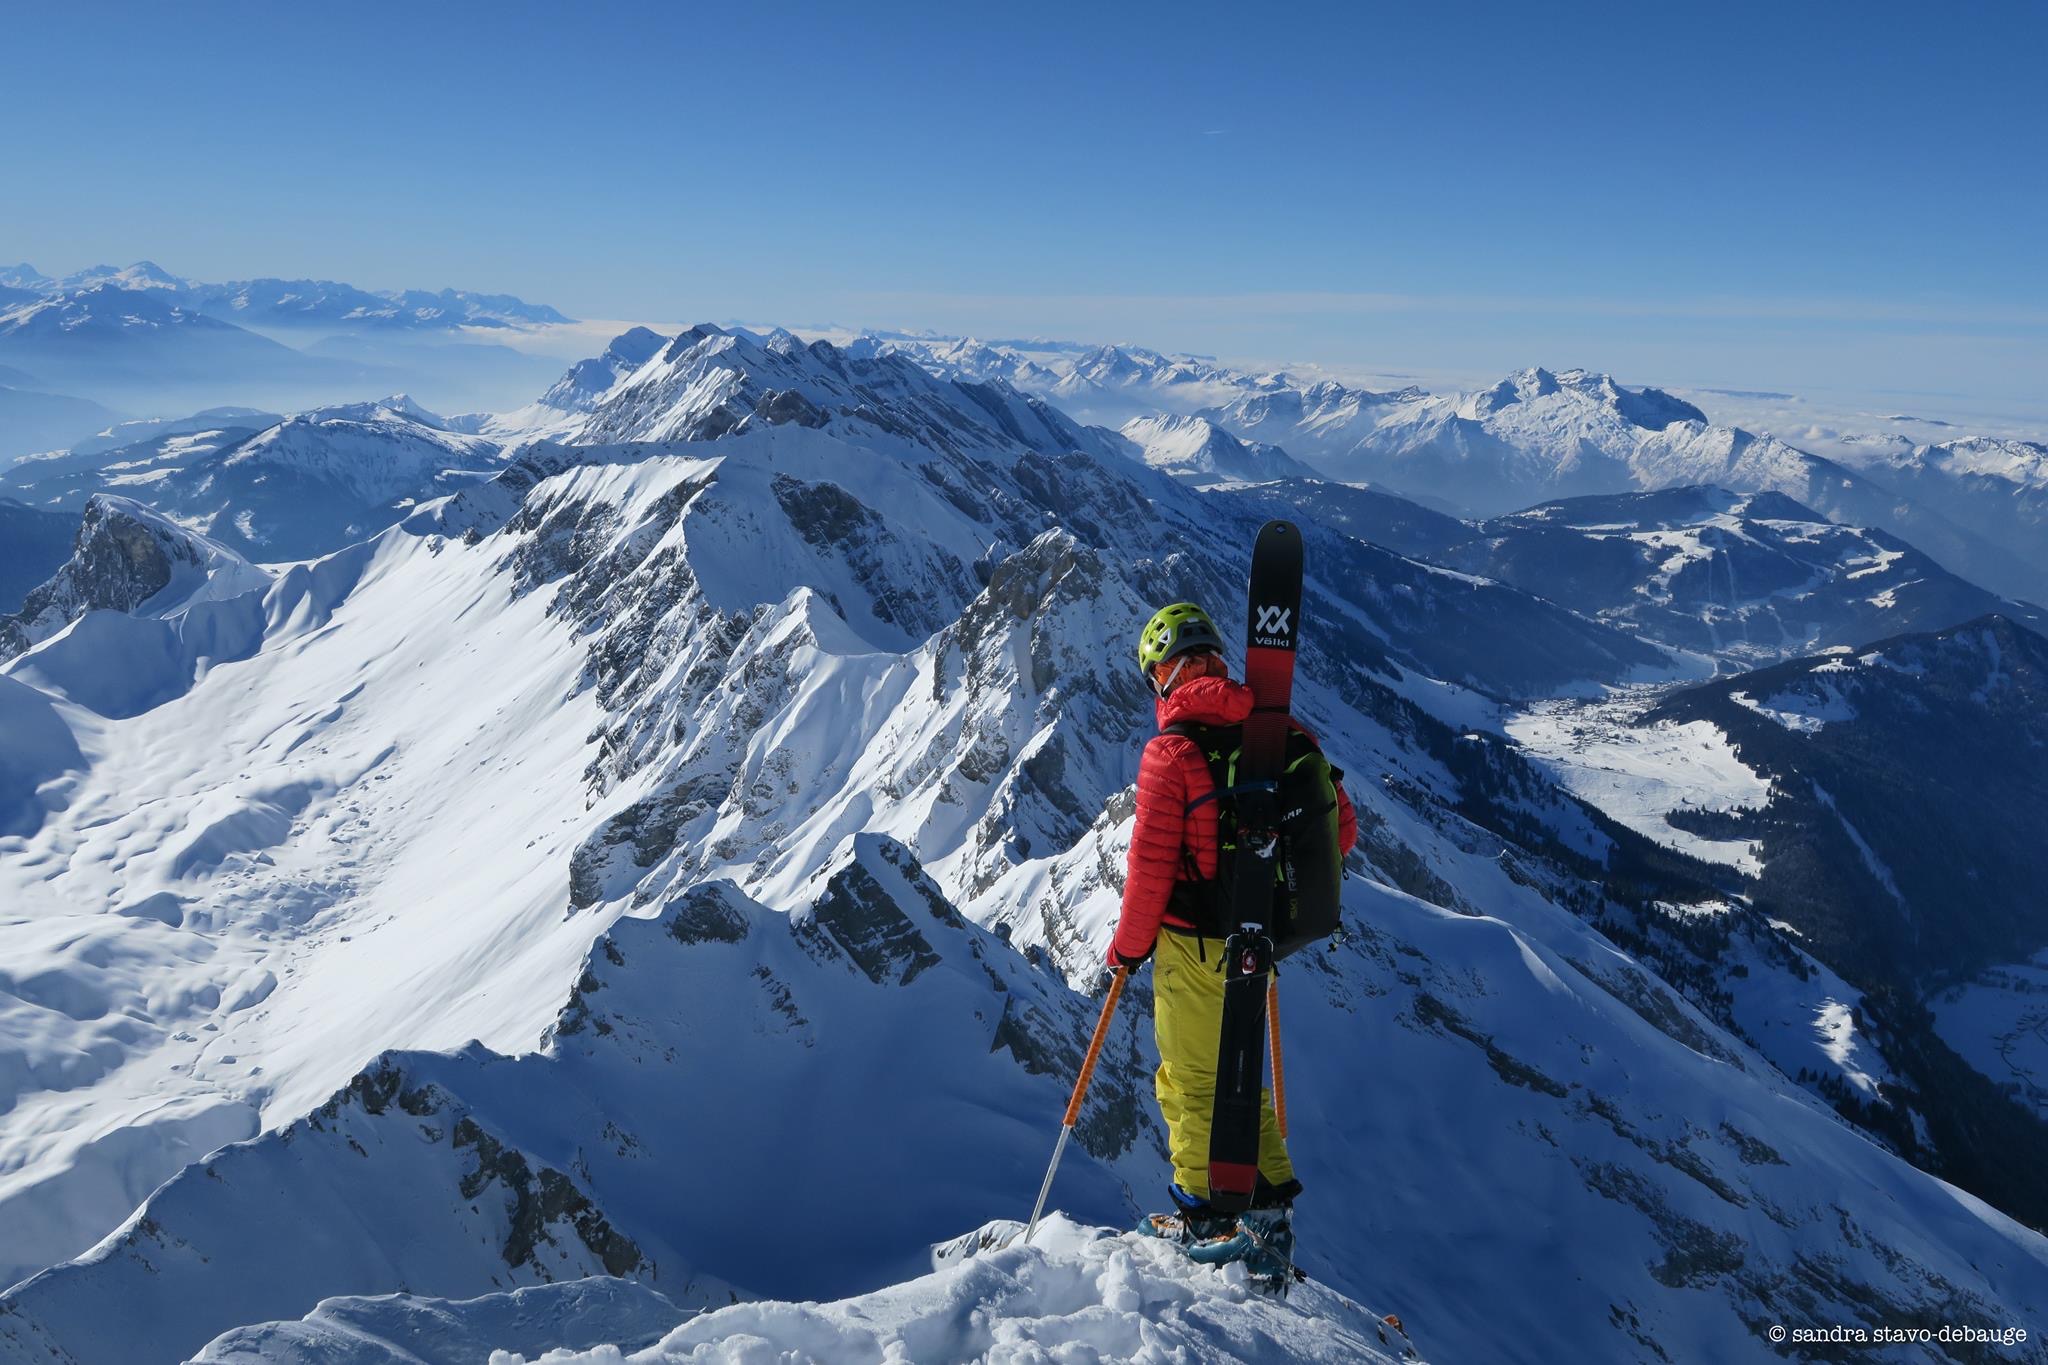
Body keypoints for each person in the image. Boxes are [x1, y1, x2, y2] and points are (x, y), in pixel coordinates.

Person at [1108, 600, 1358, 1243]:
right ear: (1218, 657)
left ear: (1162, 675)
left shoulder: (1171, 752)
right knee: (1247, 1078)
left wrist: (1127, 952)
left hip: (1191, 947)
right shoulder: (1281, 732)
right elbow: (1340, 830)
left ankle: (1206, 1215)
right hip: (1258, 942)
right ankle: (1270, 1211)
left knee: (1190, 1083)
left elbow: (1150, 872)